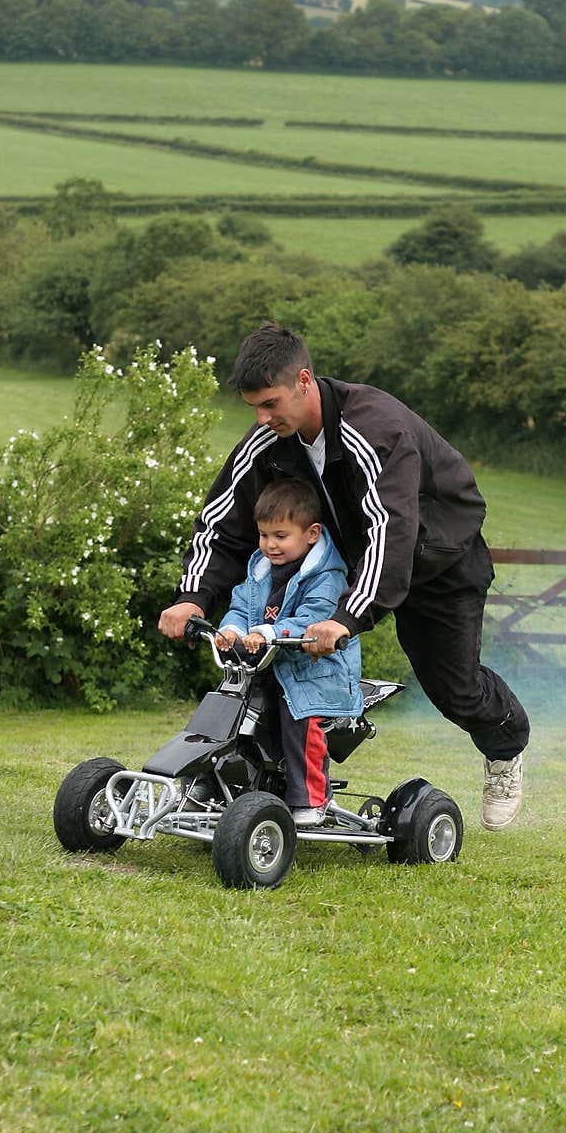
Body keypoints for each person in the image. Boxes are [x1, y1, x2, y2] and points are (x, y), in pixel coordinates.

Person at [159, 321, 530, 830]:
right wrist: (193, 598)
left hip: (438, 559)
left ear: (304, 380)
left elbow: (390, 529)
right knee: (273, 663)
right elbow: (224, 521)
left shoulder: (375, 428)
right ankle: (267, 784)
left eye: (271, 404)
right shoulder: (267, 440)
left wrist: (348, 616)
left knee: (454, 688)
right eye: (255, 408)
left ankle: (506, 749)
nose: (262, 419)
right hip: (350, 561)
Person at [215, 478, 363, 827]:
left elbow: (313, 620)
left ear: (311, 533)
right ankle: (217, 784)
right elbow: (241, 606)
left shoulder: (327, 578)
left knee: (301, 726)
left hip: (315, 676)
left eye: (281, 536)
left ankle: (310, 800)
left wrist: (267, 633)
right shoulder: (260, 570)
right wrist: (232, 630)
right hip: (268, 670)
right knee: (229, 715)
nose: (270, 545)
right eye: (264, 535)